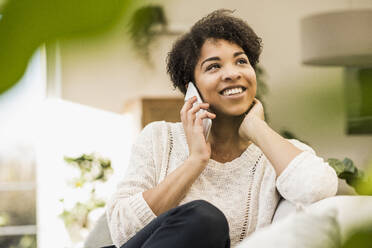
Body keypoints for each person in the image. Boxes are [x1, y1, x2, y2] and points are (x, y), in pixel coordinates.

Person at [105, 9, 338, 248]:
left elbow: (319, 189)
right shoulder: (159, 137)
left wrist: (257, 127)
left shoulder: (276, 156)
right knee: (204, 218)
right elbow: (122, 230)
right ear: (191, 89)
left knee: (205, 219)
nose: (233, 73)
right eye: (213, 67)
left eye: (241, 61)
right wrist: (195, 161)